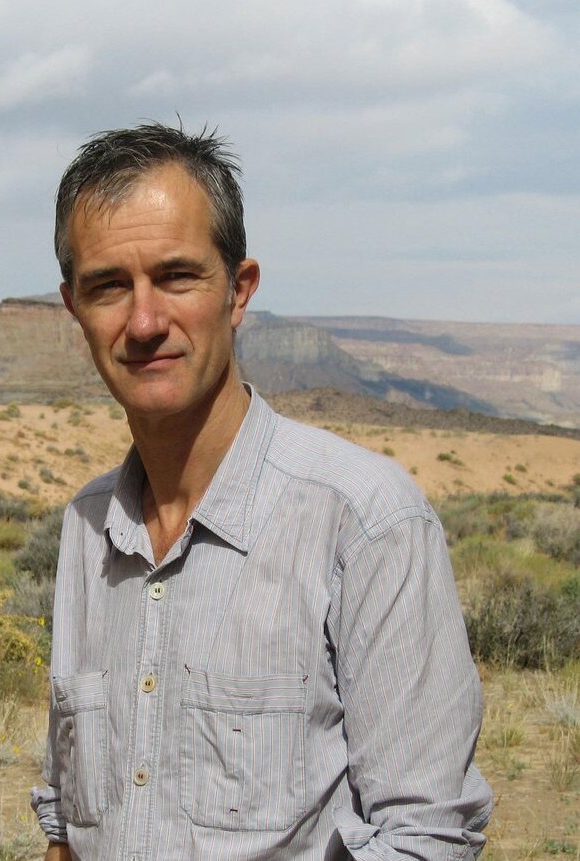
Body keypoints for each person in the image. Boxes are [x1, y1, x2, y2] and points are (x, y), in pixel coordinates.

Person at [31, 122, 492, 861]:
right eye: (108, 286)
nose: (144, 322)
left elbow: (426, 835)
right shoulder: (87, 526)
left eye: (176, 277)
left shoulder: (364, 521)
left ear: (238, 291)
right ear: (73, 307)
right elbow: (69, 820)